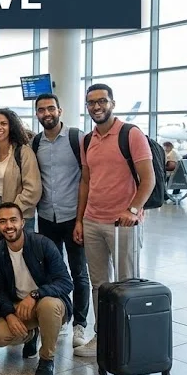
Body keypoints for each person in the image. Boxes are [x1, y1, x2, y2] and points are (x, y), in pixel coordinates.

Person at [74, 83, 154, 357]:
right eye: (91, 103)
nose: (97, 107)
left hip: (124, 224)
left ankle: (126, 340)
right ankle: (103, 335)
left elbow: (149, 179)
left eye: (102, 101)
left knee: (125, 283)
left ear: (112, 103)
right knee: (99, 285)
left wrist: (132, 210)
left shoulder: (131, 134)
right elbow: (86, 181)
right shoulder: (87, 140)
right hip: (93, 221)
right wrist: (79, 219)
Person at [0, 202, 73, 375]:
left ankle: (47, 359)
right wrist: (9, 314)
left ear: (22, 222)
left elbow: (65, 282)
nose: (8, 226)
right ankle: (31, 335)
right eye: (3, 221)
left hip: (50, 303)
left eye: (13, 220)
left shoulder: (42, 244)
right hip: (20, 307)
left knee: (48, 305)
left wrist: (35, 294)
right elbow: (0, 292)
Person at [32, 94, 90, 347]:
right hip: (46, 217)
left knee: (79, 272)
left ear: (60, 110)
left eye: (51, 108)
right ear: (37, 114)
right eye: (42, 109)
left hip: (72, 217)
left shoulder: (77, 139)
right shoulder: (36, 143)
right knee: (53, 272)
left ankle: (80, 323)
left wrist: (81, 220)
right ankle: (61, 316)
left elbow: (87, 179)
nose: (47, 113)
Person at [0, 108, 42, 241]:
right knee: (1, 255)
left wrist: (11, 212)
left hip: (20, 212)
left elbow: (33, 190)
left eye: (3, 124)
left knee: (22, 255)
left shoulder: (23, 152)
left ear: (11, 127)